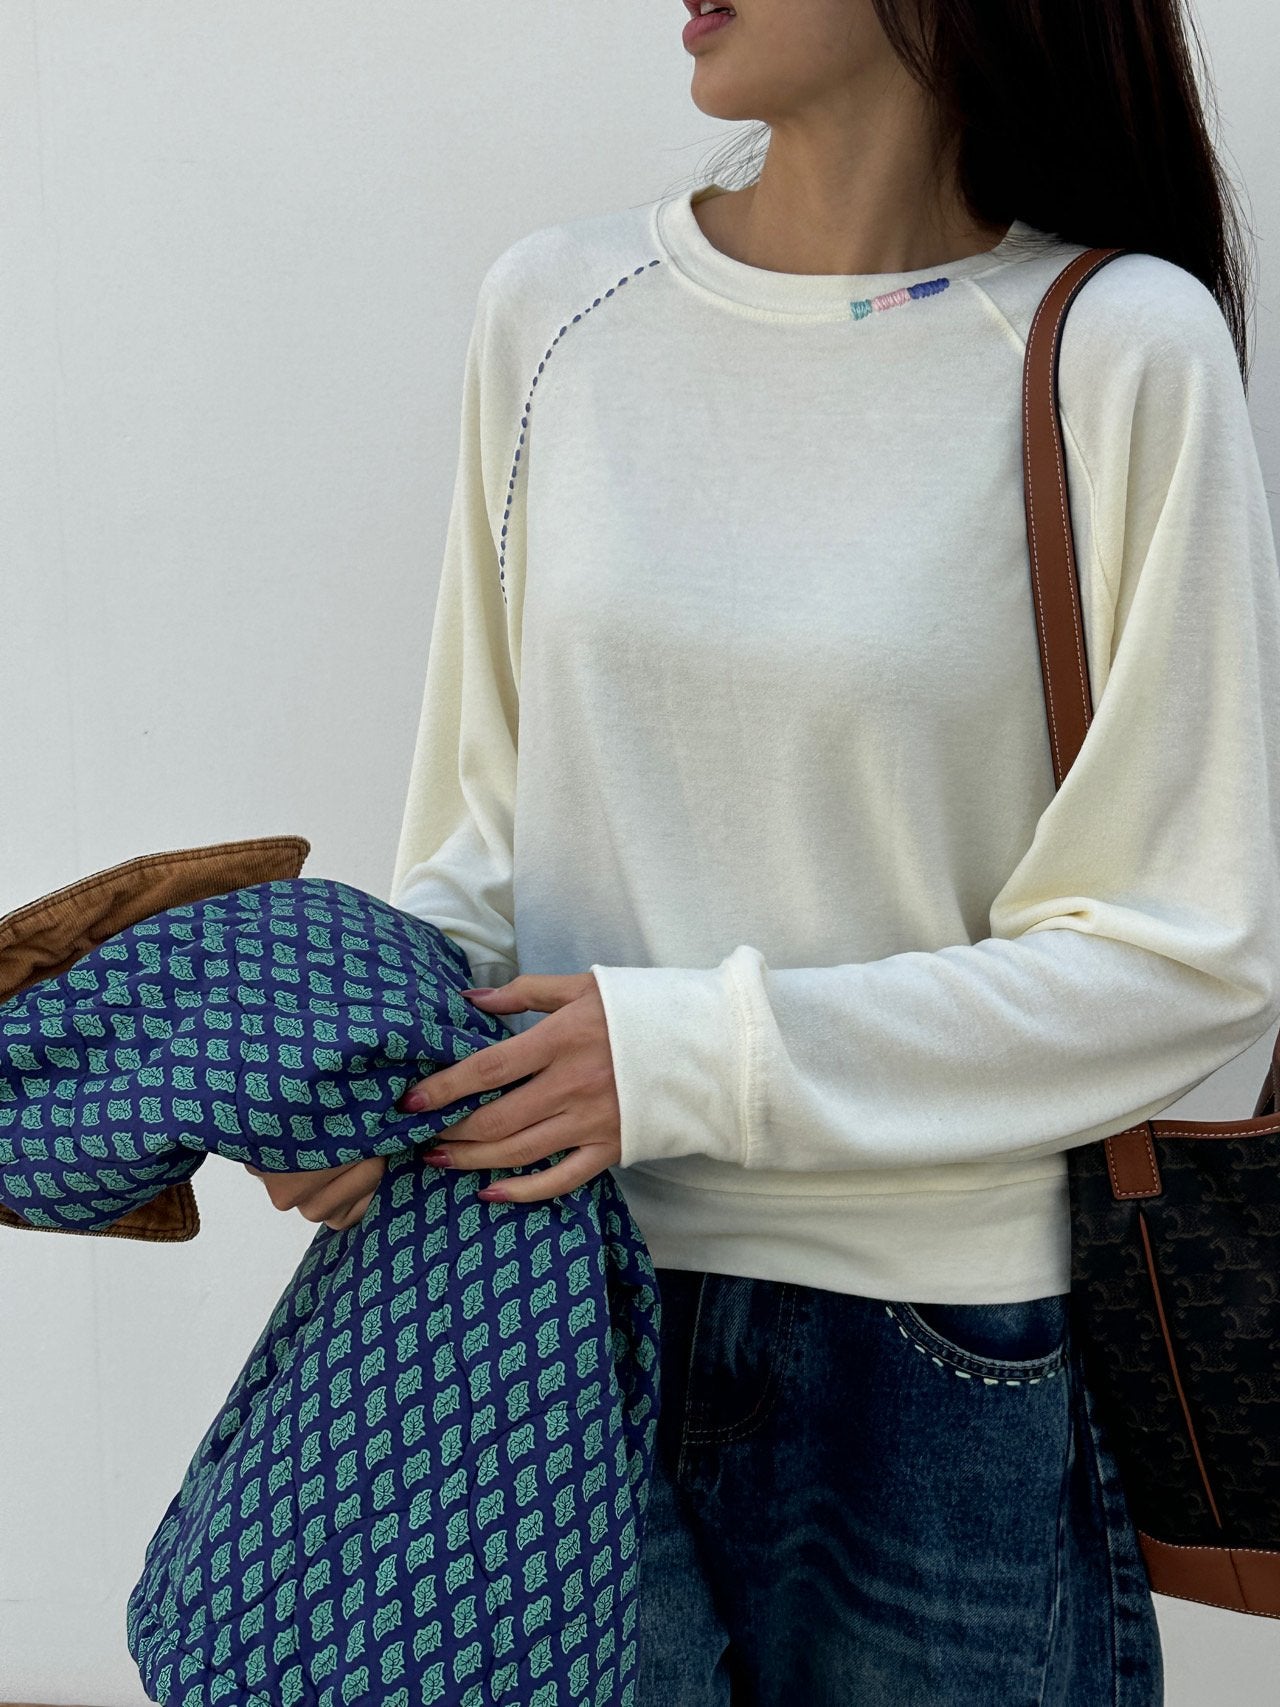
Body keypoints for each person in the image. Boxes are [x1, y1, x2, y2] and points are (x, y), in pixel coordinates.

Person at [254, 0, 1280, 1700]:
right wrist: (368, 1077)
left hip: (930, 1356)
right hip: (528, 1300)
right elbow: (478, 842)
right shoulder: (557, 311)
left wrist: (689, 1058)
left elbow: (1186, 958)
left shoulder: (1118, 349)